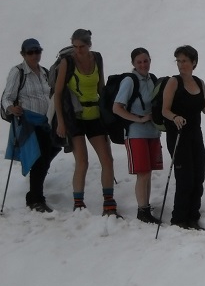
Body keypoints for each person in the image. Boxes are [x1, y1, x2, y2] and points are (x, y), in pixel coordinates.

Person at [160, 45, 205, 230]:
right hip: (178, 135)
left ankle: (193, 217)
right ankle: (179, 218)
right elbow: (164, 110)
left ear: (194, 62)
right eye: (179, 61)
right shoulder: (173, 82)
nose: (181, 65)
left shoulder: (199, 82)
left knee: (199, 177)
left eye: (185, 61)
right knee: (185, 178)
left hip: (196, 135)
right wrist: (175, 117)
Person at [53, 29, 118, 215]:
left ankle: (109, 201)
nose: (78, 50)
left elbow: (101, 87)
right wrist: (61, 122)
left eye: (81, 46)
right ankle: (78, 202)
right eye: (75, 46)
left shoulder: (97, 58)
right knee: (82, 161)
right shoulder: (68, 62)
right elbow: (58, 93)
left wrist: (108, 114)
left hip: (95, 114)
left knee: (107, 159)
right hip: (75, 116)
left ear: (89, 45)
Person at [1, 38, 61, 212]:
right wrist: (11, 108)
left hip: (46, 121)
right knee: (41, 157)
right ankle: (35, 199)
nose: (35, 55)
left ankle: (37, 180)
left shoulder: (44, 72)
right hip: (28, 121)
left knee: (55, 148)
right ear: (23, 54)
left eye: (37, 51)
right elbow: (7, 96)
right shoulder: (18, 72)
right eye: (31, 52)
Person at [112, 48, 163, 223]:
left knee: (147, 172)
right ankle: (142, 211)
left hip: (152, 132)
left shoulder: (152, 79)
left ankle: (146, 208)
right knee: (142, 172)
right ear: (133, 63)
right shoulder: (129, 80)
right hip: (135, 133)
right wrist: (138, 119)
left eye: (146, 61)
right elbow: (117, 107)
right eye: (139, 62)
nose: (143, 64)